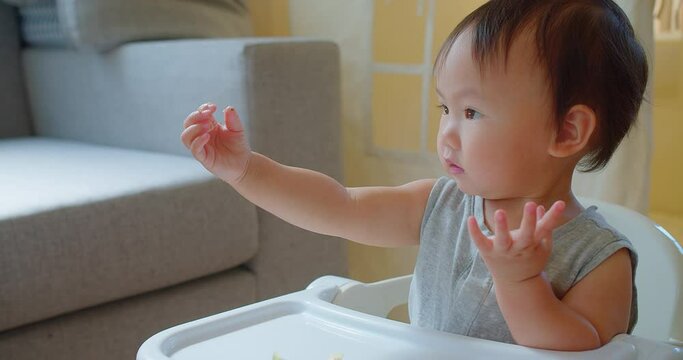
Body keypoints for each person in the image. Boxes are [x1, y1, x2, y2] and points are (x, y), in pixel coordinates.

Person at [180, 0, 647, 351]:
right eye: (446, 107)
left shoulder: (601, 261)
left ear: (567, 131)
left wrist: (521, 282)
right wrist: (246, 170)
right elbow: (337, 207)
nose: (446, 132)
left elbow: (581, 351)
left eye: (472, 111)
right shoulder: (438, 205)